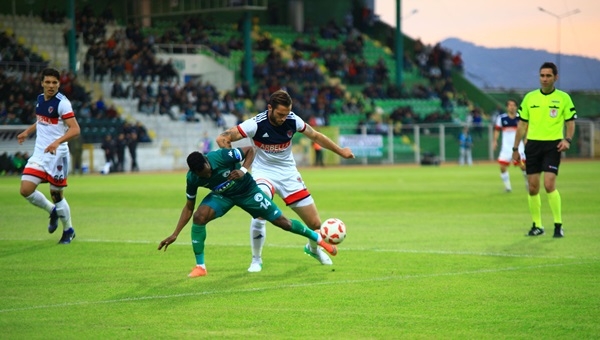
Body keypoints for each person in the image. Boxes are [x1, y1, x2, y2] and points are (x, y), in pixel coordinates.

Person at [216, 89, 355, 272]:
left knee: (314, 223)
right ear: (270, 108)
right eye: (280, 114)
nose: (283, 118)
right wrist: (236, 168)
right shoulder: (255, 124)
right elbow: (223, 138)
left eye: (286, 113)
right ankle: (256, 259)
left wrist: (341, 151)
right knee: (260, 211)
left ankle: (313, 249)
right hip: (263, 173)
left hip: (288, 174)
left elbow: (316, 136)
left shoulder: (293, 120)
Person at [157, 148, 338, 278]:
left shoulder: (220, 156)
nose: (208, 174)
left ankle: (317, 239)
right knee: (199, 216)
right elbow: (189, 207)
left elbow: (250, 150)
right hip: (224, 196)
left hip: (248, 191)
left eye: (208, 170)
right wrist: (175, 233)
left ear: (207, 161)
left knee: (282, 222)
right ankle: (200, 267)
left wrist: (243, 170)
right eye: (204, 174)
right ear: (195, 172)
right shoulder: (192, 178)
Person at [16, 68, 81, 244]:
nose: (51, 86)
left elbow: (75, 129)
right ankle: (52, 211)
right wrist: (27, 131)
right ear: (42, 83)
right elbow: (42, 120)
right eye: (48, 82)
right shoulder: (39, 99)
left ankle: (68, 230)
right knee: (25, 190)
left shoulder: (63, 103)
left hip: (57, 155)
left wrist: (57, 142)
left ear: (59, 84)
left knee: (57, 194)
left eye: (54, 83)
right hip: (40, 153)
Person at [513, 62, 576, 238]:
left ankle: (558, 225)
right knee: (532, 188)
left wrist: (568, 140)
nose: (545, 79)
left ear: (556, 77)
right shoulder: (529, 98)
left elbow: (570, 121)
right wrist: (515, 148)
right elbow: (522, 125)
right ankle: (537, 225)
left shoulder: (563, 98)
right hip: (532, 145)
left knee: (549, 184)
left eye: (548, 76)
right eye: (542, 75)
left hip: (552, 145)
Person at [492, 99, 527, 192]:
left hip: (519, 146)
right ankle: (508, 187)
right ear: (507, 107)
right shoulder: (502, 118)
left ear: (516, 107)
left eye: (513, 105)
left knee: (523, 166)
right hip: (506, 147)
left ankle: (528, 183)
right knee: (502, 167)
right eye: (510, 105)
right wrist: (495, 141)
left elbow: (526, 128)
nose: (511, 107)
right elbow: (497, 130)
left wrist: (526, 138)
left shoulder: (520, 117)